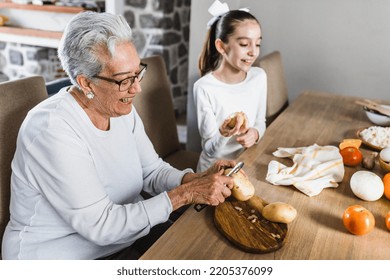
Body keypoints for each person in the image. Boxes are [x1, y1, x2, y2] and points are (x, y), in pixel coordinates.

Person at [1, 11, 236, 260]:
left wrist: (192, 179)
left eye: (138, 72)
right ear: (87, 83)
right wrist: (187, 194)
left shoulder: (120, 109)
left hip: (125, 236)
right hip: (62, 257)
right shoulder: (52, 130)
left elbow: (152, 171)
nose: (138, 88)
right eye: (125, 80)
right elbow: (102, 226)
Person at [194, 0, 267, 172]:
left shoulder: (259, 77)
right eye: (244, 44)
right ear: (221, 46)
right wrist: (223, 133)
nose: (253, 52)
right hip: (214, 172)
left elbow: (260, 122)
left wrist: (255, 134)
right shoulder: (204, 88)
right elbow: (211, 150)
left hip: (246, 164)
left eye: (257, 44)